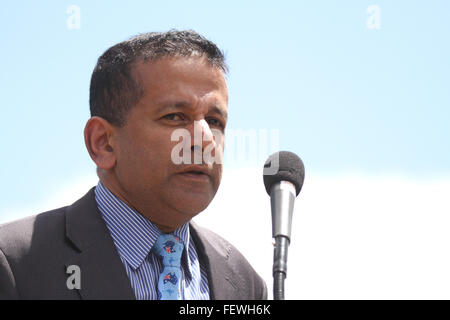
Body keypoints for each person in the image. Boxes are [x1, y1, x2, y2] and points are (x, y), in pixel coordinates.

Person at [0, 30, 267, 300]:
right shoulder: (15, 263)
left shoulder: (244, 282)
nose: (205, 139)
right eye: (175, 117)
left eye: (214, 121)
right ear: (103, 143)